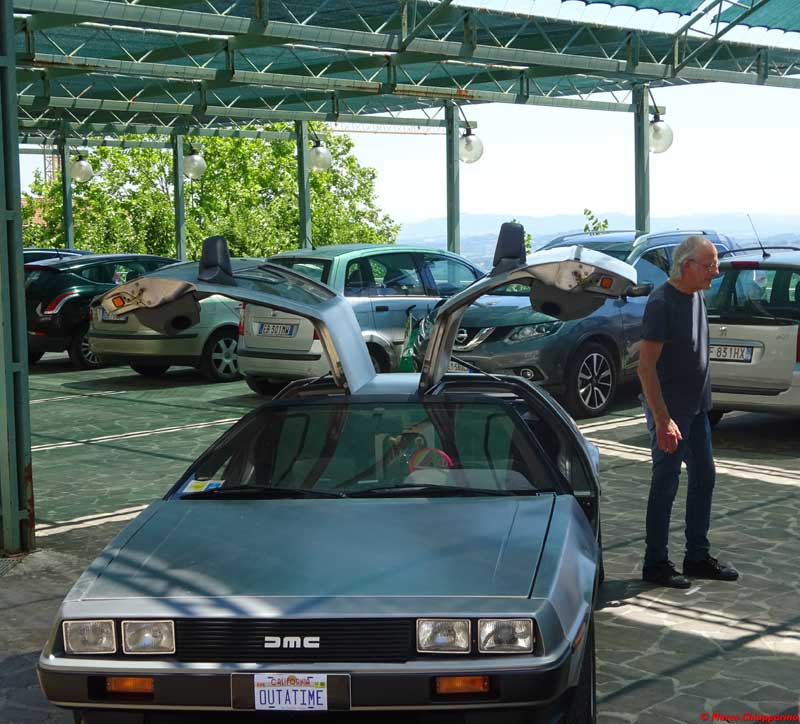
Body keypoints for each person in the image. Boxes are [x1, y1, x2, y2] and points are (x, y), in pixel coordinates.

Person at [637, 235, 739, 588]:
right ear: (687, 266)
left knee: (704, 477)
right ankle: (655, 563)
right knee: (665, 484)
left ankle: (696, 556)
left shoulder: (696, 295)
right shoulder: (661, 303)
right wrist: (663, 419)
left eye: (716, 264)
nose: (715, 271)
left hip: (697, 410)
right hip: (670, 412)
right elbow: (645, 369)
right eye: (709, 265)